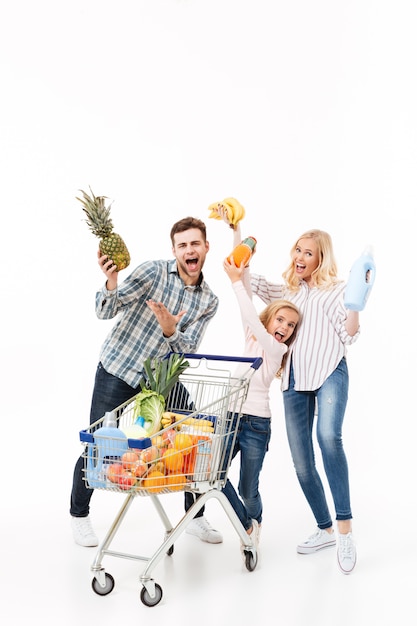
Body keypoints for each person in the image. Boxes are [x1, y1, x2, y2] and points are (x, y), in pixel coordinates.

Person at [70, 216, 223, 547]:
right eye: (182, 245)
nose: (189, 250)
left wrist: (170, 329)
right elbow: (105, 310)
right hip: (119, 368)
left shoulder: (208, 300)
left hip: (161, 380)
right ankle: (79, 515)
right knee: (98, 443)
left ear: (206, 247)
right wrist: (111, 280)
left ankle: (194, 517)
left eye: (195, 243)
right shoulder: (153, 272)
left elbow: (188, 349)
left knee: (196, 436)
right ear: (174, 250)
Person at [249, 228, 361, 574]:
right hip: (295, 379)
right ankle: (325, 528)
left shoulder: (336, 291)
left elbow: (351, 334)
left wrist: (356, 304)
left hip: (330, 372)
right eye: (297, 250)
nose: (300, 257)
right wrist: (238, 231)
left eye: (308, 253)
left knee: (328, 437)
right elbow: (249, 281)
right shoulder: (289, 291)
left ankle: (344, 531)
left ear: (321, 259)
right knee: (301, 462)